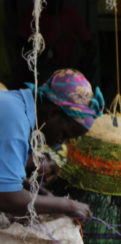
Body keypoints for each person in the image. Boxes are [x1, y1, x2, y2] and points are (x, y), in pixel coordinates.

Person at [0, 68, 104, 218]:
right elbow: (7, 197)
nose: (61, 142)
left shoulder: (17, 106)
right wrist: (67, 205)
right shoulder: (16, 120)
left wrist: (36, 192)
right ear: (53, 114)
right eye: (64, 134)